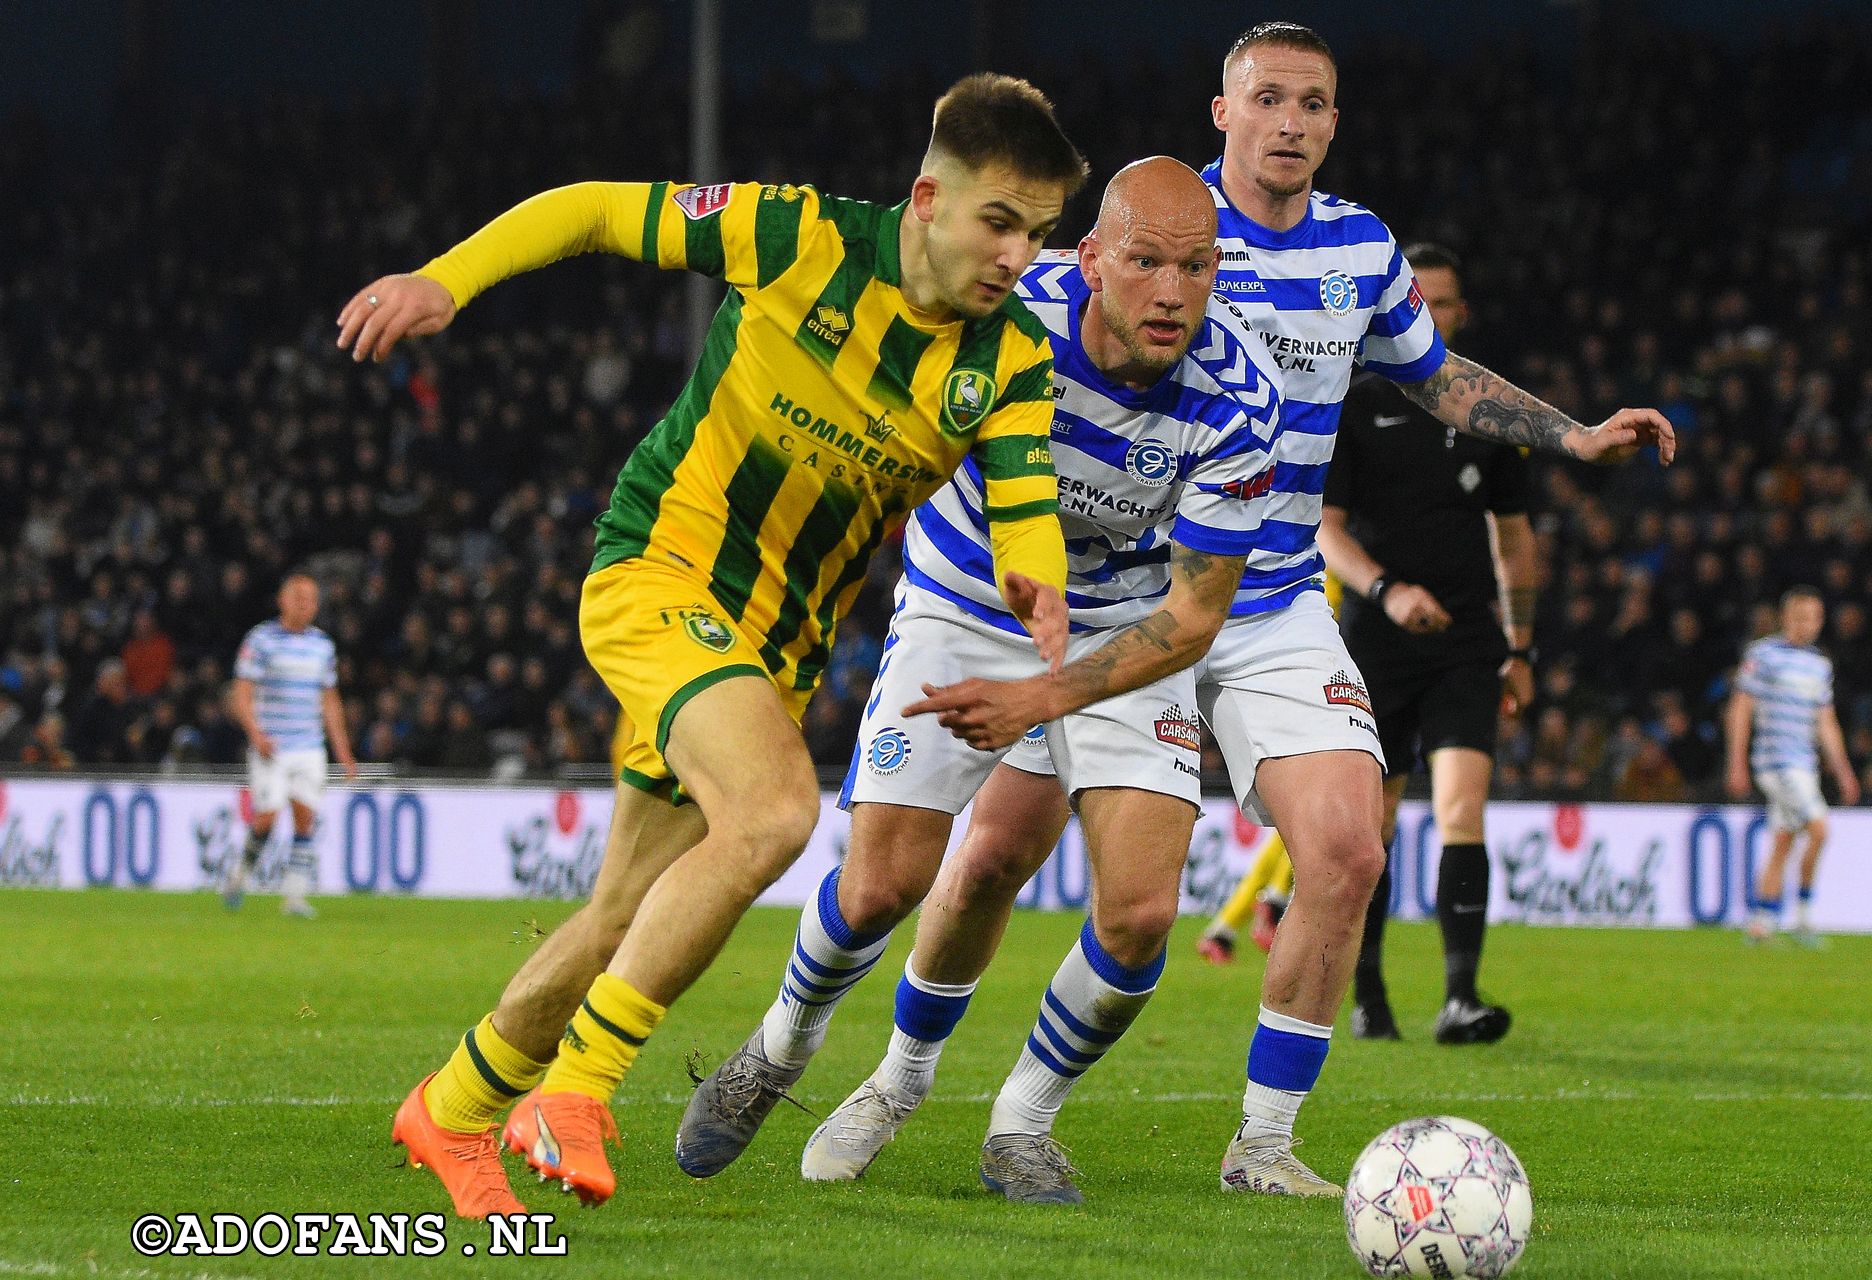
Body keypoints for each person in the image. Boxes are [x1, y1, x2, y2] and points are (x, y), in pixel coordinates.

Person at [795, 21, 1675, 1201]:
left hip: (1264, 601)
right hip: (1126, 598)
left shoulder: (1361, 250)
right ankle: (899, 1076)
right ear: (1224, 113)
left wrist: (1570, 432)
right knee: (996, 851)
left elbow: (1436, 378)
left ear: (1332, 123)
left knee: (1349, 849)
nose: (1293, 123)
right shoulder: (1159, 232)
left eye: (1314, 103)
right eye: (1270, 99)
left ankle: (1237, 1141)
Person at [340, 73, 1086, 1220]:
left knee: (623, 911)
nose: (1018, 254)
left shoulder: (1015, 355)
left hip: (775, 648)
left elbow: (1027, 500)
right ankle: (578, 1088)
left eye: (1037, 234)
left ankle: (453, 1103)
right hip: (659, 570)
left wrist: (1037, 579)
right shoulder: (795, 234)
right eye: (1000, 221)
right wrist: (446, 279)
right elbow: (593, 206)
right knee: (778, 812)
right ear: (928, 196)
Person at [671, 157, 1283, 1204]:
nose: (1173, 292)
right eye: (1144, 262)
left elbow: (1193, 617)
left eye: (1196, 265)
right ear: (1088, 259)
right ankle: (786, 1048)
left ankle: (1021, 1125)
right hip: (969, 601)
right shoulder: (1008, 311)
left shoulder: (1241, 399)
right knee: (881, 887)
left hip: (1126, 631)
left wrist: (1047, 696)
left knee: (1137, 914)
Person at [1313, 243, 1538, 1043]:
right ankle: (1369, 994)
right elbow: (1327, 532)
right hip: (1375, 643)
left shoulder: (1489, 415)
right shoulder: (1358, 405)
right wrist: (1386, 589)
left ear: (1460, 316)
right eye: (1419, 303)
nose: (1431, 317)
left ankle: (1460, 998)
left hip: (1469, 645)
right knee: (1373, 829)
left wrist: (1521, 646)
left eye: (1444, 305)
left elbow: (1514, 541)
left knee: (1461, 811)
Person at [1725, 587, 1861, 944]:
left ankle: (1761, 921)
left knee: (1783, 840)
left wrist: (1844, 770)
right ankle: (1802, 914)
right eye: (1799, 617)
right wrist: (1736, 762)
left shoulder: (1819, 664)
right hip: (1776, 762)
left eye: (1813, 618)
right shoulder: (1763, 654)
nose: (1807, 625)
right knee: (1820, 829)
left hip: (1805, 764)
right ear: (1785, 618)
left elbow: (1826, 723)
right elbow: (1741, 708)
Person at [222, 574, 358, 917]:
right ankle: (239, 875)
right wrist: (255, 733)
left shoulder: (322, 646)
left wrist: (342, 750)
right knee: (266, 817)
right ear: (281, 600)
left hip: (310, 745)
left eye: (311, 599)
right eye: (298, 597)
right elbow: (242, 693)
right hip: (273, 744)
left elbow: (329, 700)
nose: (305, 604)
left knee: (304, 818)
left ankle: (294, 897)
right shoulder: (261, 639)